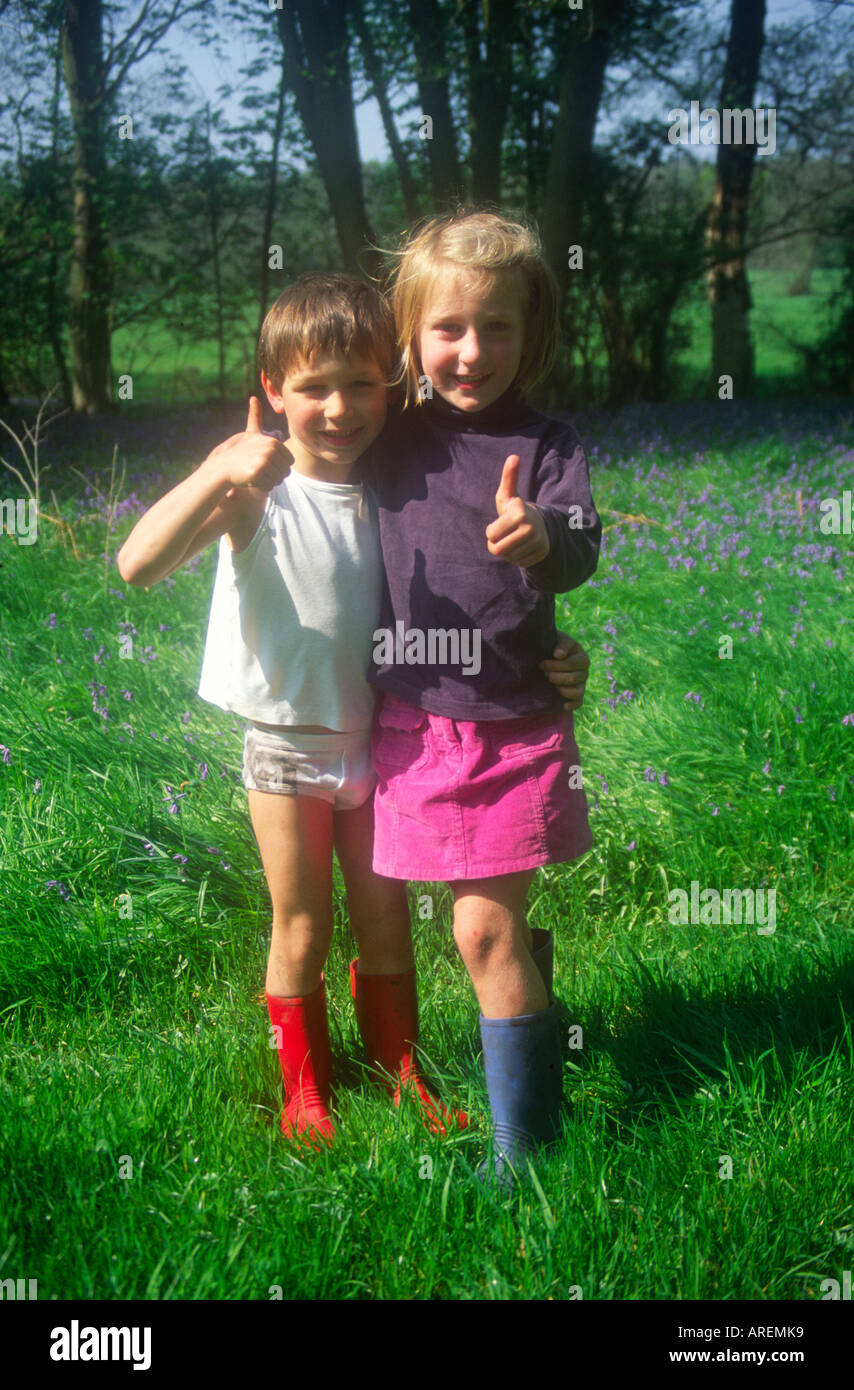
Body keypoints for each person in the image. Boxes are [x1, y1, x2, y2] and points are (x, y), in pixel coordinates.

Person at [116, 272, 589, 1150]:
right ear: (271, 393)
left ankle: (397, 1071)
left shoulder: (392, 481)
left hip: (382, 744)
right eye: (312, 389)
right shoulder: (256, 489)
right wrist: (218, 467)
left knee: (384, 923)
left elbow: (474, 583)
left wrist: (553, 655)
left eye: (361, 384)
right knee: (301, 922)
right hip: (286, 749)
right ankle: (305, 1093)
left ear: (394, 386)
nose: (339, 408)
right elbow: (136, 566)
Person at [367, 211, 601, 1183]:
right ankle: (535, 1024)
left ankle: (524, 1161)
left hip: (514, 726)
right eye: (447, 328)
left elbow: (581, 546)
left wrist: (540, 536)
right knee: (478, 928)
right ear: (411, 335)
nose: (471, 350)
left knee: (477, 927)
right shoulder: (387, 433)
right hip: (414, 728)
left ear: (530, 328)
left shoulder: (546, 444)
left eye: (496, 327)